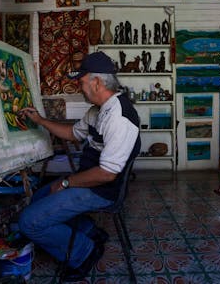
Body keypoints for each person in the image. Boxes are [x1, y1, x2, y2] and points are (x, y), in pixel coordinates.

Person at [18, 51, 140, 280]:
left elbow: (107, 174)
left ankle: (84, 252)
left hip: (102, 190)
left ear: (96, 82)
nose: (80, 88)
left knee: (28, 222)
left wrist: (66, 182)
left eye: (82, 82)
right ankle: (91, 232)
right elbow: (72, 134)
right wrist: (39, 120)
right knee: (38, 198)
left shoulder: (120, 117)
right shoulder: (99, 110)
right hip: (88, 182)